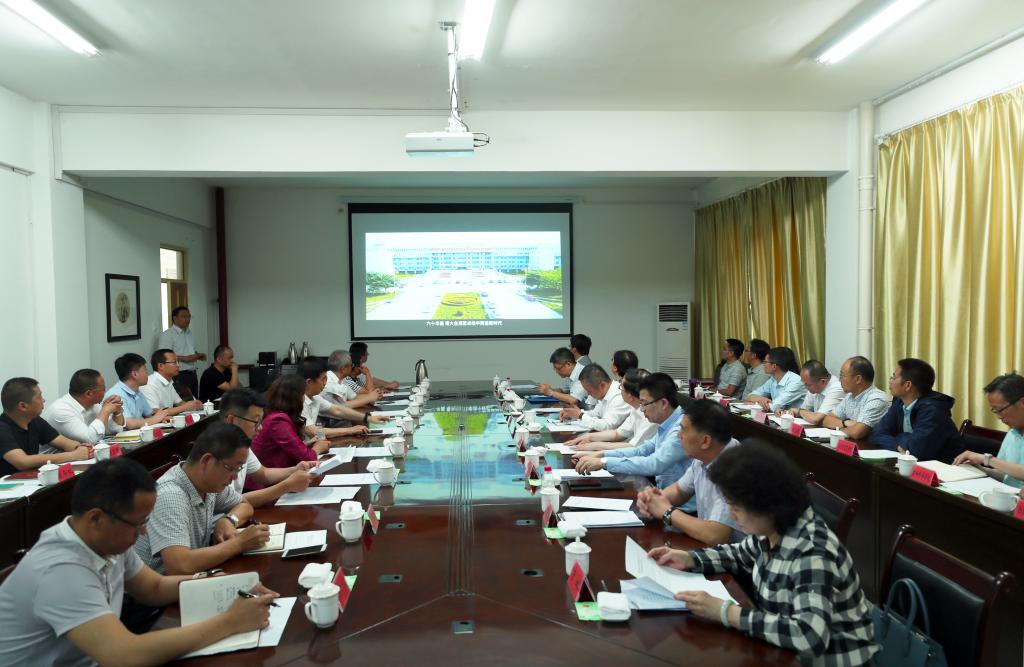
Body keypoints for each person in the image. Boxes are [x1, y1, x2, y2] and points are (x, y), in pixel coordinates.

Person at [0, 458, 277, 667]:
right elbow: (124, 654)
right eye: (139, 522)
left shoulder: (104, 539)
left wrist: (219, 582)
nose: (144, 531)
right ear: (96, 518)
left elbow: (153, 587)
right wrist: (229, 622)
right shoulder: (60, 569)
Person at [647, 442, 877, 666]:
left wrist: (725, 612)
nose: (731, 515)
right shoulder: (773, 528)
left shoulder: (813, 551)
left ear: (766, 505)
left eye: (736, 508)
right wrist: (689, 558)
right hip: (781, 651)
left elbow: (809, 636)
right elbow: (738, 554)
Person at [134, 422, 270, 575]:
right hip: (164, 585)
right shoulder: (170, 495)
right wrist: (239, 543)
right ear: (206, 461)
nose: (235, 477)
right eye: (231, 468)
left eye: (238, 469)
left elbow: (244, 505)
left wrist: (228, 521)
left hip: (195, 577)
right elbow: (179, 565)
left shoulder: (208, 484)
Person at [573, 373, 695, 506]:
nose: (641, 409)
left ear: (664, 403)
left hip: (681, 508)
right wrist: (600, 455)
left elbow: (654, 464)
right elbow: (641, 450)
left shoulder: (680, 429)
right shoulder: (667, 423)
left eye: (644, 403)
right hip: (663, 499)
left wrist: (604, 462)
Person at [636, 399, 742, 544]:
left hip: (737, 555)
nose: (678, 435)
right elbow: (680, 490)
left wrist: (667, 511)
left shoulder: (735, 470)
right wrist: (653, 500)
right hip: (710, 548)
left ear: (705, 441)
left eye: (683, 429)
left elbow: (715, 535)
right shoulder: (705, 454)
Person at [219, 388, 314, 505]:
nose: (260, 428)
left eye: (261, 421)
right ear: (232, 420)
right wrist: (287, 485)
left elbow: (263, 474)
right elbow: (230, 502)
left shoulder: (241, 444)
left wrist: (295, 469)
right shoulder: (215, 452)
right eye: (255, 422)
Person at [872, 358, 963, 463]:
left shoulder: (933, 409)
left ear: (908, 385)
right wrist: (897, 446)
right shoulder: (899, 401)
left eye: (894, 377)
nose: (890, 381)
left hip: (946, 467)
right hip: (912, 463)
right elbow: (877, 433)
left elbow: (917, 450)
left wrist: (898, 436)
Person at [0, 377, 92, 476]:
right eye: (39, 397)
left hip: (32, 479)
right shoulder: (2, 428)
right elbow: (23, 462)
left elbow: (65, 443)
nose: (43, 400)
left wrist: (79, 447)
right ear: (23, 406)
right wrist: (74, 455)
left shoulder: (34, 420)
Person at [954, 373, 1024, 488]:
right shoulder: (1012, 434)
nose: (999, 417)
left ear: (1022, 402)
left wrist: (986, 459)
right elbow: (1006, 475)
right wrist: (979, 470)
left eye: (1000, 409)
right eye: (995, 411)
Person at [565, 369, 658, 452]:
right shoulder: (636, 409)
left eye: (621, 387)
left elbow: (634, 447)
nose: (619, 390)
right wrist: (589, 437)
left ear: (630, 396)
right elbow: (618, 433)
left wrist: (596, 445)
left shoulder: (651, 415)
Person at [251, 375, 330, 467]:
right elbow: (306, 458)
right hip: (272, 474)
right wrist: (318, 448)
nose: (304, 399)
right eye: (302, 394)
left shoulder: (279, 416)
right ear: (295, 397)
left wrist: (307, 444)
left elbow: (288, 448)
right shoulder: (278, 420)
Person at [298, 357, 384, 439]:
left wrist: (368, 418)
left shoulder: (316, 398)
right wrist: (350, 430)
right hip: (304, 447)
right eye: (323, 379)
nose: (325, 383)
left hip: (313, 443)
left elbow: (338, 410)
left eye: (326, 379)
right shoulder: (298, 401)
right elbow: (313, 432)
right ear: (309, 382)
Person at [41, 369, 126, 444]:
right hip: (58, 457)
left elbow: (113, 431)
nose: (105, 393)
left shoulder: (93, 405)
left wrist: (117, 412)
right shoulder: (61, 411)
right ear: (89, 394)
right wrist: (105, 411)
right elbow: (90, 439)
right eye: (103, 389)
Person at [821, 356, 890, 439]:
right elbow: (826, 420)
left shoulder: (876, 399)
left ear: (858, 379)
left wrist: (839, 428)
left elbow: (857, 433)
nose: (839, 380)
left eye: (842, 376)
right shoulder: (850, 396)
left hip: (869, 446)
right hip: (851, 443)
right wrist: (846, 423)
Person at [105, 353, 172, 428]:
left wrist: (160, 418)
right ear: (135, 374)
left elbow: (149, 414)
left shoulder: (137, 391)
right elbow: (130, 424)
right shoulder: (116, 395)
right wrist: (155, 419)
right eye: (145, 370)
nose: (147, 374)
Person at [558, 364, 631, 431]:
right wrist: (574, 414)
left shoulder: (619, 396)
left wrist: (580, 415)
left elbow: (607, 426)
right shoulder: (604, 394)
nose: (588, 394)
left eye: (589, 390)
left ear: (602, 385)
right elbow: (595, 414)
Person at [157, 306, 206, 400]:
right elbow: (163, 355)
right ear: (175, 318)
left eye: (189, 316)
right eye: (184, 316)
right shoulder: (167, 335)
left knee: (195, 402)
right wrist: (185, 358)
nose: (187, 319)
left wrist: (198, 355)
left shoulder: (189, 333)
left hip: (193, 373)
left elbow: (189, 351)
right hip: (178, 375)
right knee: (183, 402)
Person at [140, 349, 204, 416]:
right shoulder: (149, 384)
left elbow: (180, 403)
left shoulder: (169, 381)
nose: (178, 365)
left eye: (178, 362)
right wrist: (185, 407)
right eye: (174, 362)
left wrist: (195, 405)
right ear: (161, 366)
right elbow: (154, 413)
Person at [748, 347, 806, 412]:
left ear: (774, 366)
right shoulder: (773, 379)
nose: (763, 364)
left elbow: (775, 405)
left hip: (796, 417)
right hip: (780, 416)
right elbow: (750, 396)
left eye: (765, 362)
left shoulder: (796, 381)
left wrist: (759, 402)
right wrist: (761, 399)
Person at [789, 360, 845, 425]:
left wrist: (799, 411)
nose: (805, 387)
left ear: (823, 382)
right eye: (804, 383)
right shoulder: (813, 384)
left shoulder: (837, 388)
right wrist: (791, 412)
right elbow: (804, 410)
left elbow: (816, 419)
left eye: (808, 384)